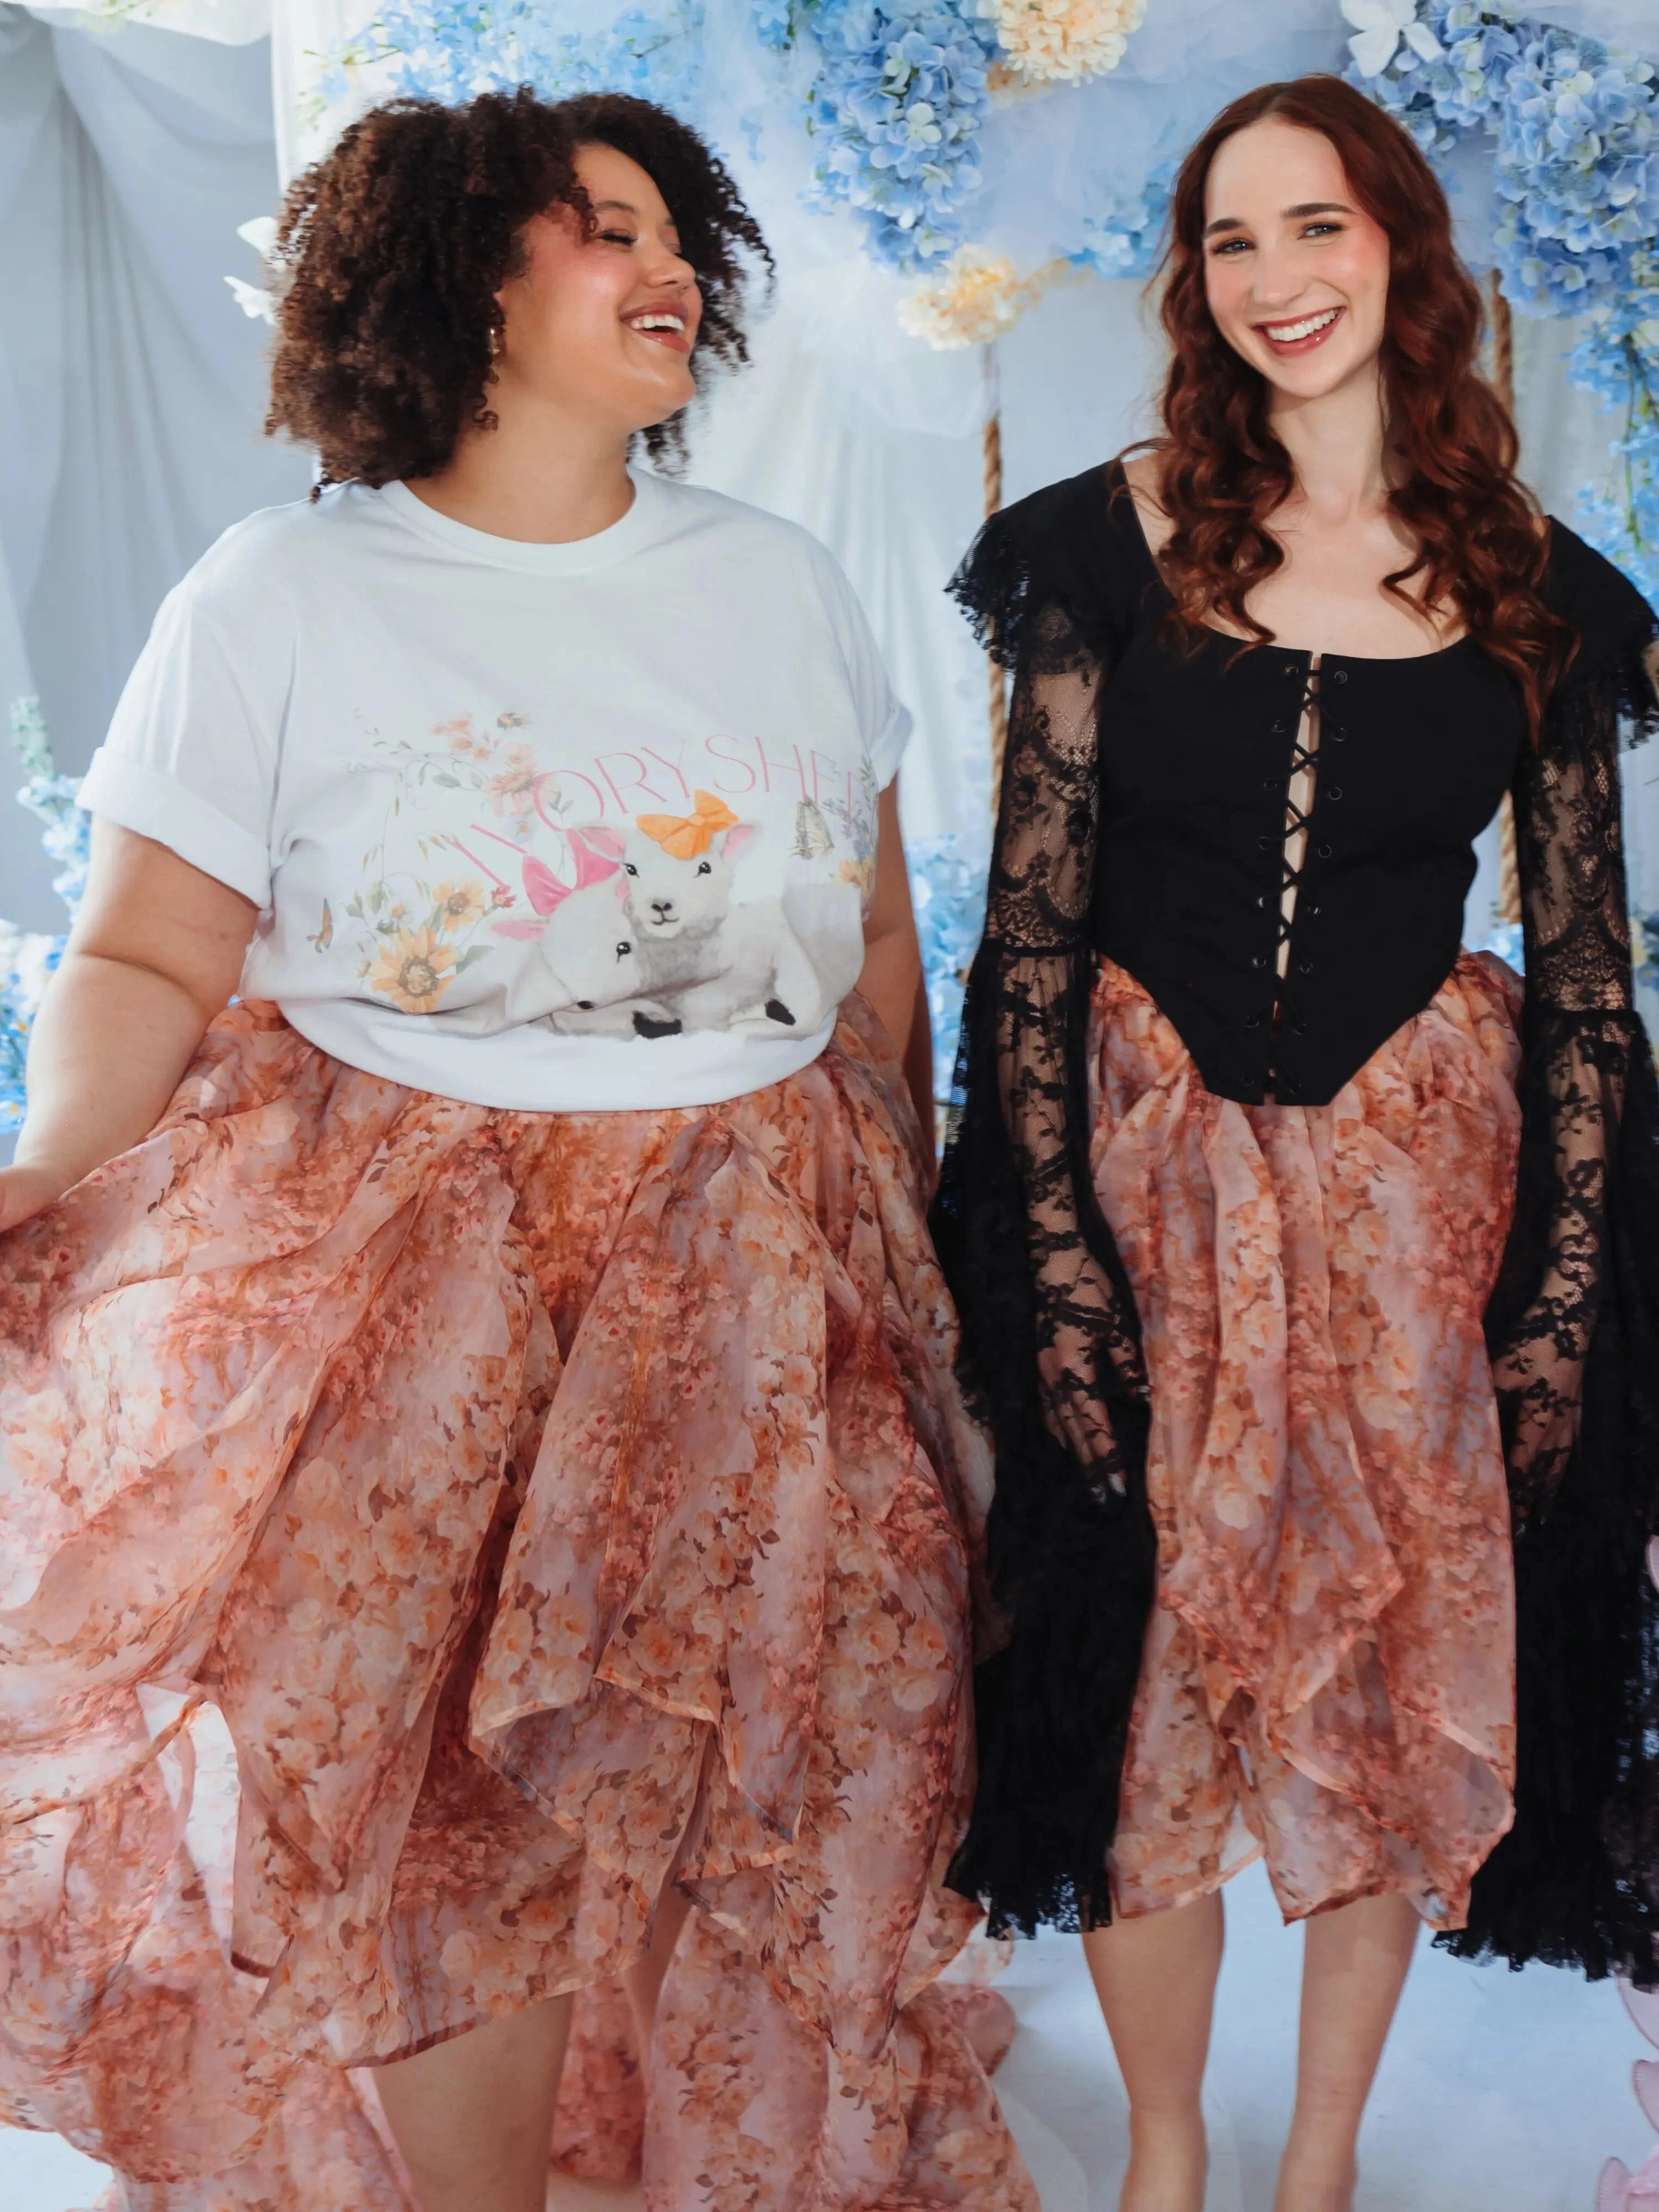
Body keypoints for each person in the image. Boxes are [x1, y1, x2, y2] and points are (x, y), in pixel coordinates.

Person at [0, 88, 1034, 2212]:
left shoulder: (780, 584)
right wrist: (47, 1160)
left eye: (674, 232)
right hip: (420, 1265)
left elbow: (871, 942)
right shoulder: (283, 591)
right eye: (601, 229)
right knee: (452, 1815)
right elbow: (152, 948)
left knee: (758, 1773)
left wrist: (908, 1219)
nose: (667, 270)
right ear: (461, 278)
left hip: (758, 1250)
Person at [932, 70, 1659, 2212]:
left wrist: (1562, 1286)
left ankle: (1319, 2160)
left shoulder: (1541, 590)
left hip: (1417, 1197)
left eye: (1315, 225)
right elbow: (1031, 931)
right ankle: (1168, 2151)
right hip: (1146, 1178)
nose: (1273, 278)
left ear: (1402, 246)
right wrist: (1050, 1244)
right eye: (1230, 239)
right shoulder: (1100, 541)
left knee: (1387, 1665)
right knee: (1134, 1667)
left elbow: (1590, 974)